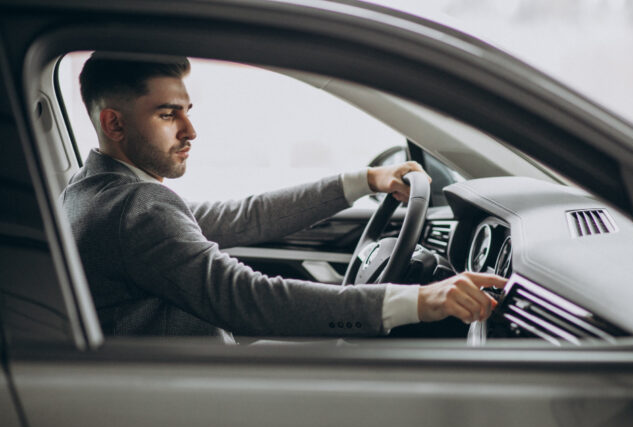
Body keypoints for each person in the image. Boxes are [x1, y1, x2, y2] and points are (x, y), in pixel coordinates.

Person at [60, 52, 506, 340]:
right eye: (167, 114)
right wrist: (422, 301)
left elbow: (240, 217)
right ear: (114, 124)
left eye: (187, 111)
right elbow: (245, 297)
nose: (190, 131)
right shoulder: (136, 208)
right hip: (189, 401)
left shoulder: (96, 191)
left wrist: (365, 180)